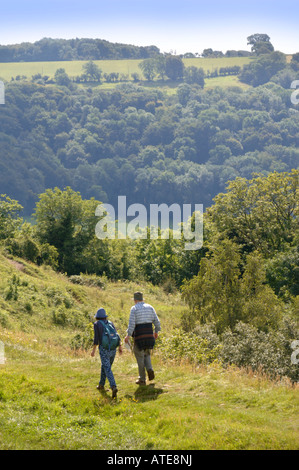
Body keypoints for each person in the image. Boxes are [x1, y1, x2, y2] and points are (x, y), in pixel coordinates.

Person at [125, 292, 161, 385]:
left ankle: (142, 379)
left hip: (139, 336)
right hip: (149, 336)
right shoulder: (150, 307)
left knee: (140, 356)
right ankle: (149, 369)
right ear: (142, 299)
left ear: (135, 300)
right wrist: (156, 332)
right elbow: (157, 322)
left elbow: (132, 324)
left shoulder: (134, 309)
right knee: (147, 353)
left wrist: (128, 335)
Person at [91, 307, 122, 398]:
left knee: (107, 368)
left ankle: (113, 386)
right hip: (113, 349)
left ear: (97, 317)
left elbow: (96, 339)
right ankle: (101, 385)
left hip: (104, 349)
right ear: (105, 316)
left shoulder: (97, 324)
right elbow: (117, 335)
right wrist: (120, 346)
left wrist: (93, 350)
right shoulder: (110, 323)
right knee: (105, 366)